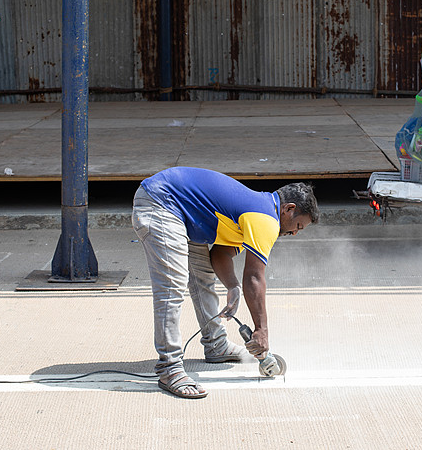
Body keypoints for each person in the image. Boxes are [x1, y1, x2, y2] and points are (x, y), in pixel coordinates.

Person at [131, 167, 319, 399]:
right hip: (162, 203)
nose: (294, 233)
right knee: (172, 287)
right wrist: (261, 331)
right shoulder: (266, 220)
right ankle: (169, 368)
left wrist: (232, 286)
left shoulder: (253, 213)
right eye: (298, 226)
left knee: (203, 279)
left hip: (180, 210)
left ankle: (216, 345)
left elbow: (220, 254)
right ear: (289, 209)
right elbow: (254, 276)